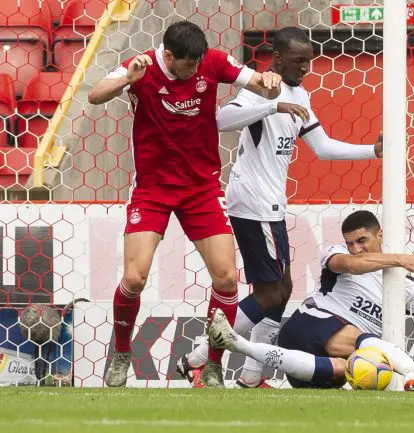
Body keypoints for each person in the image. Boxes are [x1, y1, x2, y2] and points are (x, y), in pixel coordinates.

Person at [176, 26, 382, 388]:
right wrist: (272, 104)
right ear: (278, 57)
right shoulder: (262, 88)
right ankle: (199, 358)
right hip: (253, 202)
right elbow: (220, 120)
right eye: (299, 61)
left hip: (270, 204)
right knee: (272, 292)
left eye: (309, 62)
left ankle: (251, 378)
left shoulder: (300, 93)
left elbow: (323, 147)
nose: (305, 68)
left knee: (282, 288)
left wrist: (373, 152)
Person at [87, 21, 283, 388]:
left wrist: (269, 84)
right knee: (134, 277)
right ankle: (122, 351)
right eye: (187, 64)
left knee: (226, 278)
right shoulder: (142, 66)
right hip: (153, 189)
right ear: (169, 55)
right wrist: (126, 79)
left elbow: (257, 83)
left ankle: (210, 365)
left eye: (198, 63)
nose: (195, 69)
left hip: (201, 188)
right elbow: (95, 95)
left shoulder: (213, 61)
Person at [208, 210, 414, 392]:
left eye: (362, 240)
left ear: (379, 234)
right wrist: (402, 259)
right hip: (308, 327)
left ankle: (237, 343)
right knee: (362, 341)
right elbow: (351, 264)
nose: (355, 248)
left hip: (318, 368)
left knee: (354, 367)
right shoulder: (335, 254)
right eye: (351, 243)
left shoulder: (407, 286)